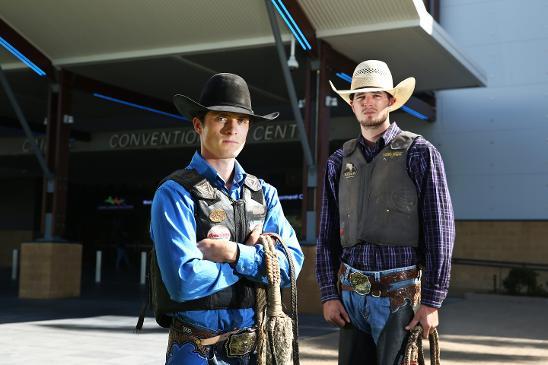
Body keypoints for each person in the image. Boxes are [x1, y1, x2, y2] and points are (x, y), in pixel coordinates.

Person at [150, 73, 304, 365]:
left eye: (242, 120)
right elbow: (184, 281)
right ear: (199, 125)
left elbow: (291, 268)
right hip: (197, 350)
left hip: (258, 351)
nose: (233, 128)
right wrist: (255, 261)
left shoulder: (265, 194)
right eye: (222, 117)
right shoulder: (174, 194)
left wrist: (233, 253)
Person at [316, 60, 455, 365]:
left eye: (376, 95)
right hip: (351, 295)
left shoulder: (421, 152)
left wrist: (432, 302)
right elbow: (326, 235)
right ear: (351, 104)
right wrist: (329, 293)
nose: (368, 103)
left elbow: (440, 230)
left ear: (391, 100)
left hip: (400, 296)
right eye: (360, 97)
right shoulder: (338, 161)